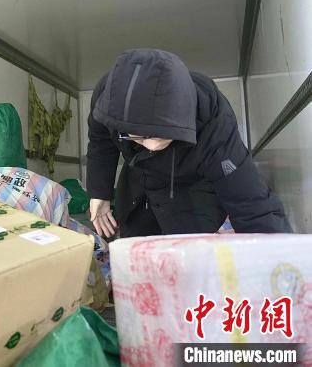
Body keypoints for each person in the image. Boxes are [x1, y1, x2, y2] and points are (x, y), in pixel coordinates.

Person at [86, 48, 291, 237]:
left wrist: (277, 256)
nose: (153, 146)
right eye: (138, 137)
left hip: (191, 187)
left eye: (161, 135)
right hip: (139, 179)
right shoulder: (108, 101)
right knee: (137, 246)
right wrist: (99, 193)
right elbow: (100, 142)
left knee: (189, 250)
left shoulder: (213, 122)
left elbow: (249, 200)